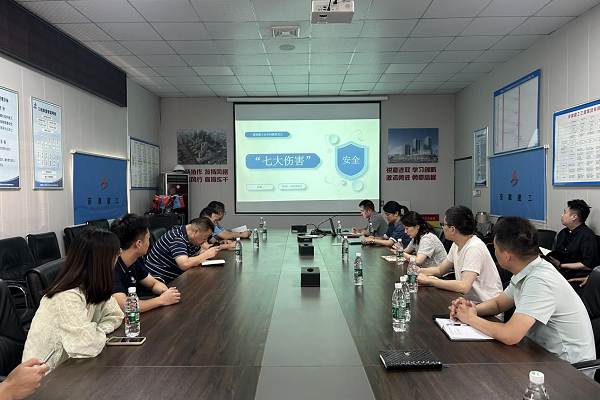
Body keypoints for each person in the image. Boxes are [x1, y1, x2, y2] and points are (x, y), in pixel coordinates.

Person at [450, 216, 595, 365]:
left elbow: (510, 335)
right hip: (539, 352)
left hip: (567, 367)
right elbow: (498, 304)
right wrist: (471, 309)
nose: (494, 253)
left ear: (506, 256)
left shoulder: (540, 280)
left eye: (495, 249)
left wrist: (470, 318)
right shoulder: (528, 269)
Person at [22, 228, 124, 372]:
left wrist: (95, 332)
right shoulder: (66, 297)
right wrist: (93, 335)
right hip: (45, 376)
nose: (117, 258)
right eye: (117, 253)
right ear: (102, 260)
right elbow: (87, 346)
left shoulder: (92, 286)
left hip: (73, 366)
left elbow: (116, 314)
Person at [417, 206, 503, 304]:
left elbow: (463, 286)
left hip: (486, 305)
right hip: (468, 302)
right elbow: (440, 270)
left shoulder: (474, 248)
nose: (443, 228)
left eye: (444, 224)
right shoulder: (456, 244)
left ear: (453, 229)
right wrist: (417, 271)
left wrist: (430, 281)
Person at [110, 214, 180, 313]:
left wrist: (166, 292)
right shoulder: (112, 265)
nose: (149, 242)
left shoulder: (135, 260)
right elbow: (124, 306)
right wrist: (161, 300)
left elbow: (153, 283)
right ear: (139, 243)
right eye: (148, 238)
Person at [145, 218, 219, 283]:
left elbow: (198, 252)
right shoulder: (177, 238)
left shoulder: (189, 237)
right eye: (205, 237)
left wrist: (209, 252)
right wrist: (206, 255)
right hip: (160, 280)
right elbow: (184, 264)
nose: (205, 240)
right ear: (196, 231)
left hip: (175, 276)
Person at [547, 199, 599, 281]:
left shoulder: (587, 236)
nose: (562, 215)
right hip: (558, 270)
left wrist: (561, 265)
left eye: (565, 212)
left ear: (574, 217)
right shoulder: (563, 233)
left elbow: (588, 265)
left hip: (574, 274)